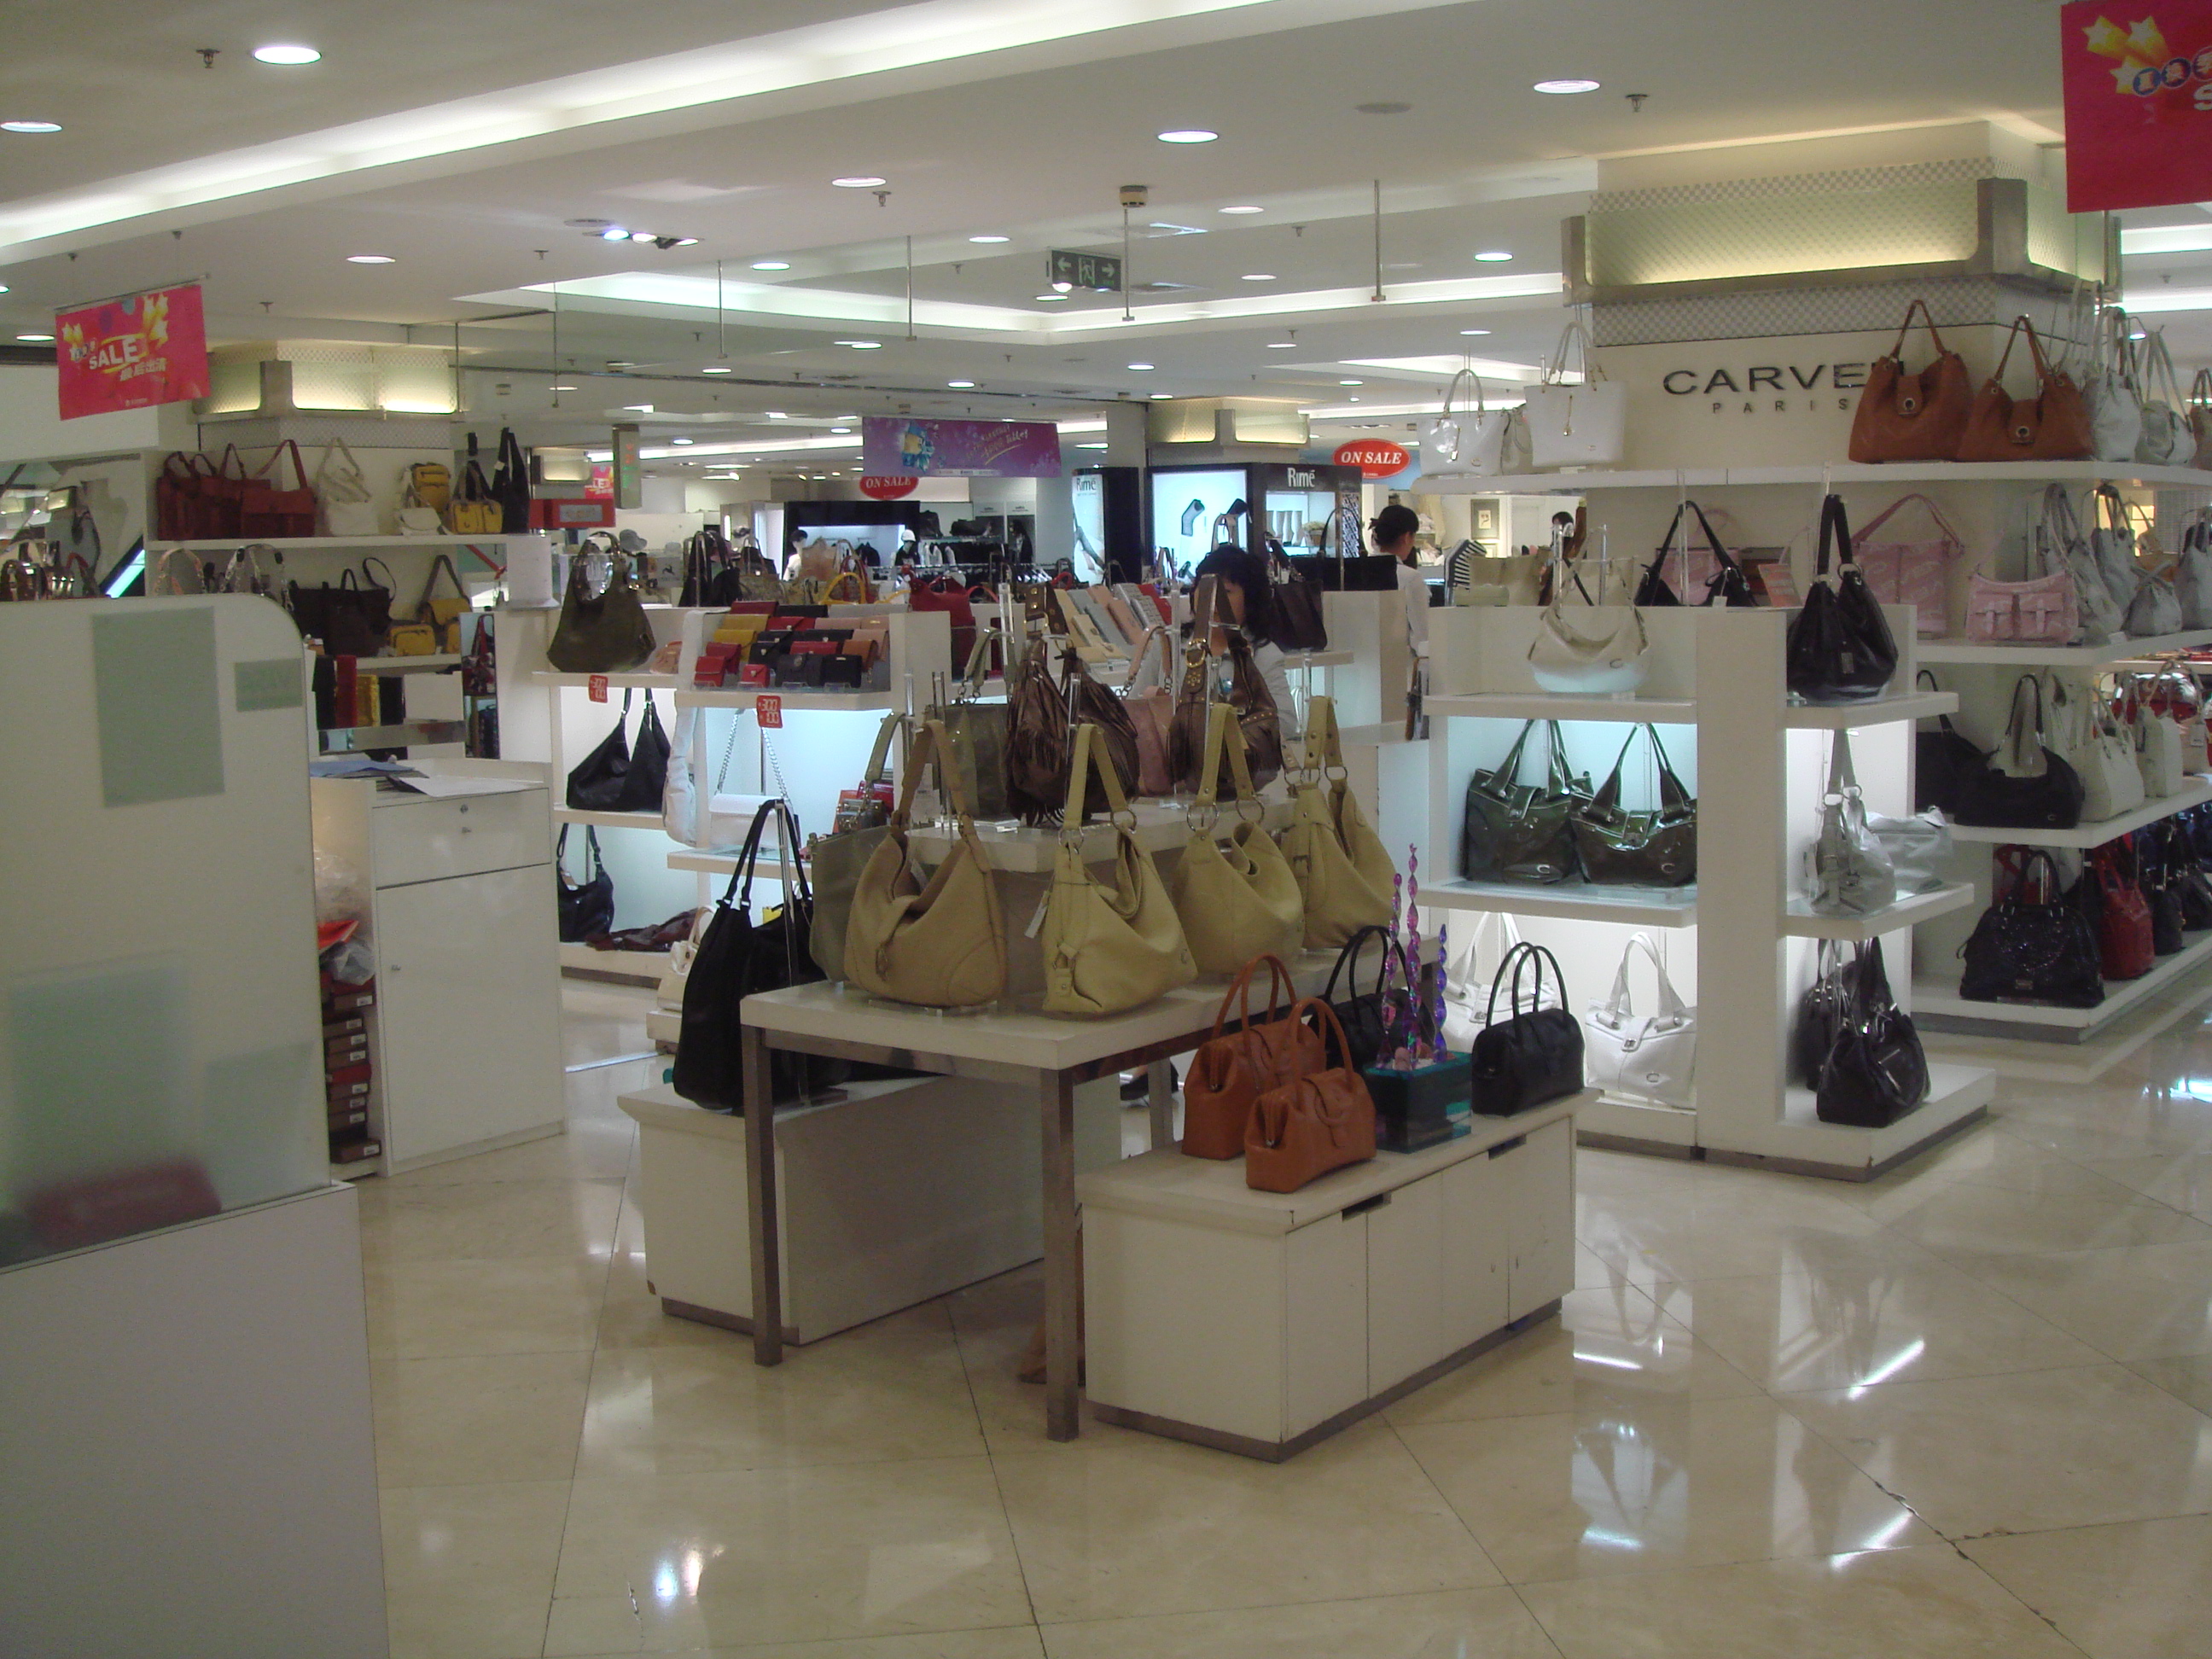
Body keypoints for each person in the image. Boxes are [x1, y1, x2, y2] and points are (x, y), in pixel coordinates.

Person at [1173, 544, 1299, 743]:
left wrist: (1229, 732)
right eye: (1205, 588)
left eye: (1226, 591)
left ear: (1249, 600)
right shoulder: (1169, 644)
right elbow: (1136, 708)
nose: (1213, 599)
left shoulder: (1262, 653)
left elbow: (1286, 723)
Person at [1372, 502, 1431, 659]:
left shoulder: (1357, 570)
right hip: (1399, 661)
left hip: (1361, 660)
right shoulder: (1410, 577)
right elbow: (1422, 633)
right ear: (1406, 537)